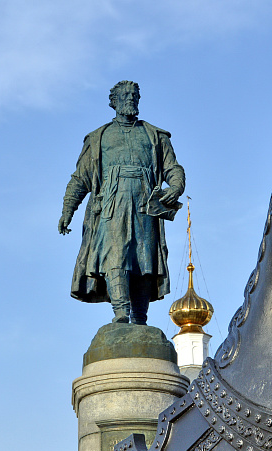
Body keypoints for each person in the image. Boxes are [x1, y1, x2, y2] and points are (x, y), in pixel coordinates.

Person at [58, 81, 185, 325]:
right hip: (111, 205)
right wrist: (67, 211)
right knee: (115, 256)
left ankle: (139, 318)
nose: (131, 98)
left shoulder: (154, 136)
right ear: (113, 101)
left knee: (144, 260)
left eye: (135, 95)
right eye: (125, 95)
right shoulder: (99, 138)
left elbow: (173, 168)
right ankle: (121, 313)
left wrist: (176, 186)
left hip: (145, 204)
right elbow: (79, 179)